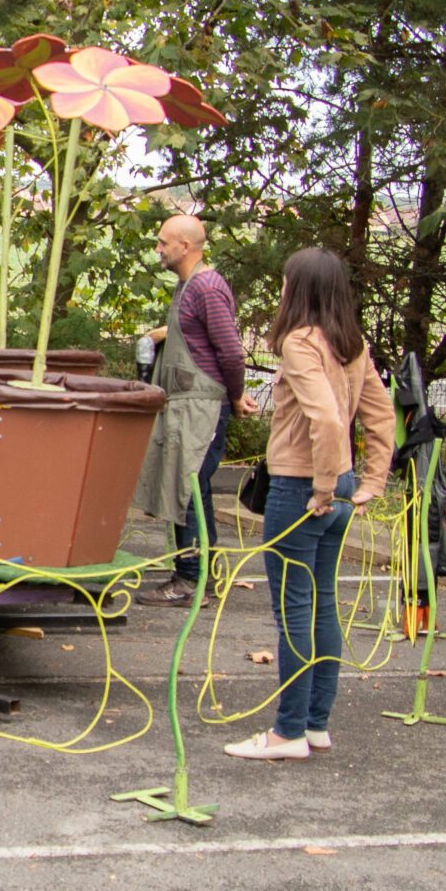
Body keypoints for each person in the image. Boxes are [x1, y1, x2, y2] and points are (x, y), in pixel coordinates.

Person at [224, 247, 395, 762]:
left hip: (304, 492)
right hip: (337, 489)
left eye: (283, 282)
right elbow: (381, 415)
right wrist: (366, 482)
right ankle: (315, 724)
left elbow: (323, 419)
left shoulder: (301, 342)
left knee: (293, 611)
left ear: (297, 289)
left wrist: (324, 488)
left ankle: (288, 732)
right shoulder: (351, 342)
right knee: (322, 605)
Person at [132, 215, 255, 607]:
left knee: (192, 494)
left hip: (202, 406)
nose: (158, 249)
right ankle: (190, 576)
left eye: (163, 242)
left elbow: (231, 351)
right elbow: (200, 333)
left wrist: (235, 397)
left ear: (185, 246)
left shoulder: (207, 287)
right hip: (184, 405)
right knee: (186, 491)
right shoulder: (189, 287)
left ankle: (193, 581)